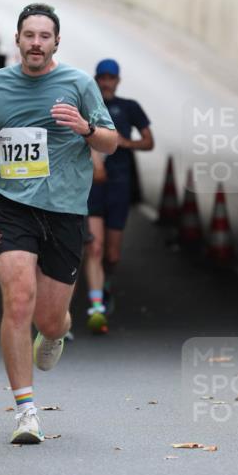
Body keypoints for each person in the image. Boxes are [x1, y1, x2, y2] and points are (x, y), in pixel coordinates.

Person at [0, 2, 117, 444]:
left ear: (55, 42)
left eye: (44, 36)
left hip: (65, 210)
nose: (36, 43)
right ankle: (25, 412)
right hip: (12, 206)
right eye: (28, 35)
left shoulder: (78, 84)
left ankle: (58, 331)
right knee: (18, 301)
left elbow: (111, 142)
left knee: (49, 320)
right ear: (17, 39)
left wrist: (85, 128)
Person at [84, 59, 154, 333]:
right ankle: (96, 306)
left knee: (111, 255)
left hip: (120, 185)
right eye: (101, 77)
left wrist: (126, 143)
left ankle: (106, 285)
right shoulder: (87, 106)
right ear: (96, 79)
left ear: (118, 80)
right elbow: (80, 137)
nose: (106, 82)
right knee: (95, 248)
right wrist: (96, 164)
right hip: (93, 185)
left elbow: (149, 142)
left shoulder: (129, 107)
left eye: (110, 78)